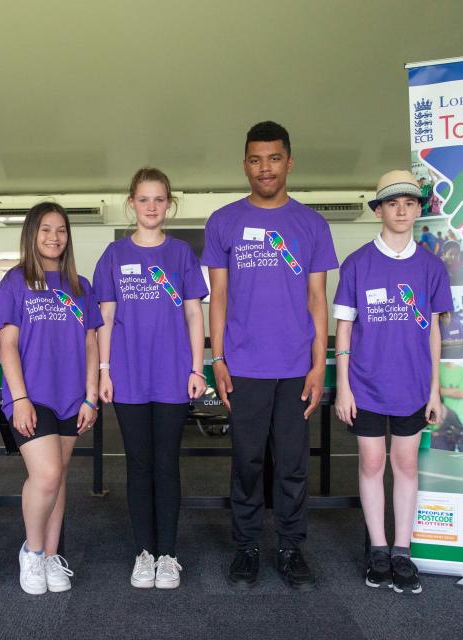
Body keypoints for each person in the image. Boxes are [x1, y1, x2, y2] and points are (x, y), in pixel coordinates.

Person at [202, 121, 337, 591]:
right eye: (256, 159)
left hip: (296, 367)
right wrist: (218, 359)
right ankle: (247, 548)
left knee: (294, 465)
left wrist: (319, 366)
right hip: (244, 367)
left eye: (274, 158)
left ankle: (290, 547)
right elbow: (217, 297)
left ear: (289, 162)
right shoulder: (223, 221)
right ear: (245, 164)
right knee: (247, 463)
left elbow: (318, 300)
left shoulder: (311, 224)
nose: (265, 168)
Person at [333, 169, 451, 595]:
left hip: (413, 386)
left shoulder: (431, 266)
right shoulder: (357, 264)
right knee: (371, 463)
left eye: (410, 203)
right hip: (365, 384)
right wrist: (344, 386)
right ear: (379, 209)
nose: (401, 211)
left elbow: (434, 332)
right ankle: (377, 550)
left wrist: (434, 388)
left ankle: (402, 550)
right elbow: (344, 330)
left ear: (419, 210)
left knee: (405, 465)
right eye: (392, 203)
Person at [94, 168, 208, 590]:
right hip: (127, 377)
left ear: (169, 205)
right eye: (144, 199)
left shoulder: (180, 255)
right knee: (139, 467)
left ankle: (169, 555)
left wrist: (197, 368)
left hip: (174, 376)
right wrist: (104, 372)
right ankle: (145, 553)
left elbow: (195, 314)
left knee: (167, 465)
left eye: (159, 199)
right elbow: (105, 318)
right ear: (132, 204)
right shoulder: (113, 256)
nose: (152, 207)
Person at [0, 202, 102, 595]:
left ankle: (53, 555)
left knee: (59, 480)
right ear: (31, 235)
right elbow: (7, 345)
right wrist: (19, 398)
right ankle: (33, 551)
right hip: (31, 396)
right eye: (45, 230)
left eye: (60, 230)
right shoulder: (14, 281)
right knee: (47, 475)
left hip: (71, 397)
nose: (54, 237)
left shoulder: (80, 286)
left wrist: (91, 397)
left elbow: (92, 343)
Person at [439, 362, 463, 427]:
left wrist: (443, 390)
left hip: (459, 417)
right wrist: (455, 389)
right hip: (439, 416)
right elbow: (435, 391)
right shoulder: (437, 368)